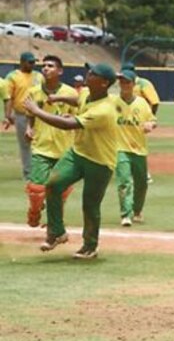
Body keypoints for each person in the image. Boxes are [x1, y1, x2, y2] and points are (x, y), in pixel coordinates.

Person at [23, 63, 120, 259]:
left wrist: (37, 110)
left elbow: (67, 125)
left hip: (100, 161)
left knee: (90, 204)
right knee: (53, 184)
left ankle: (90, 246)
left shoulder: (105, 110)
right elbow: (78, 100)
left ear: (104, 83)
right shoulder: (87, 92)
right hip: (78, 153)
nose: (88, 74)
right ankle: (57, 232)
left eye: (94, 73)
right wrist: (58, 97)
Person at [24, 55, 78, 228]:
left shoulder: (70, 93)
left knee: (61, 190)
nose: (46, 68)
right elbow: (30, 115)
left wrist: (73, 117)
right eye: (44, 65)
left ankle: (55, 222)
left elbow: (80, 116)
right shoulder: (33, 92)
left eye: (51, 66)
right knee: (36, 190)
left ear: (60, 71)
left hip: (64, 148)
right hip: (42, 146)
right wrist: (28, 127)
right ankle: (34, 210)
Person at [115, 69, 157, 226]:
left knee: (141, 183)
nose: (124, 84)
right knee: (124, 181)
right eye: (121, 81)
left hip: (139, 149)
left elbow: (153, 120)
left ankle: (137, 210)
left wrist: (150, 124)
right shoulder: (112, 101)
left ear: (133, 84)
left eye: (127, 81)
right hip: (120, 148)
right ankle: (125, 213)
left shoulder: (141, 103)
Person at [4, 52, 44, 180]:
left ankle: (41, 170)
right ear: (22, 62)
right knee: (25, 144)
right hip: (21, 115)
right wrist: (8, 115)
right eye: (30, 62)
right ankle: (28, 173)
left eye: (34, 62)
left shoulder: (39, 76)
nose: (33, 64)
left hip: (39, 115)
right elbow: (9, 97)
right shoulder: (13, 76)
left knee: (40, 143)